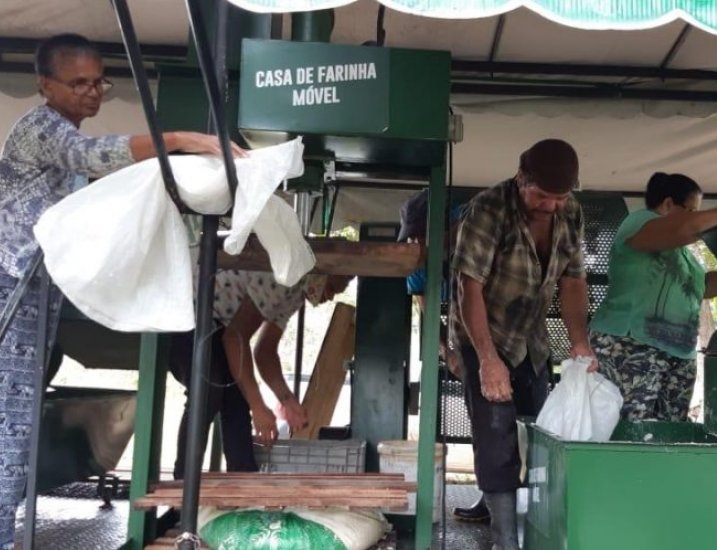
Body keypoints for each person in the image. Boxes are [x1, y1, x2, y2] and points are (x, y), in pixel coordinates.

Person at [0, 33, 244, 550]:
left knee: (17, 432)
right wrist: (181, 140)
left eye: (99, 82)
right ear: (45, 84)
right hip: (10, 291)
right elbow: (95, 154)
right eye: (79, 82)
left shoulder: (62, 149)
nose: (92, 92)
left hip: (36, 297)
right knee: (7, 431)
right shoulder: (41, 129)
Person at [450, 139, 595, 550]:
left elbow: (573, 280)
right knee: (495, 430)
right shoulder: (488, 209)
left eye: (560, 198)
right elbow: (468, 286)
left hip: (531, 339)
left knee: (535, 429)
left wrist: (579, 341)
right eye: (542, 196)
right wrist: (487, 359)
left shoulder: (570, 212)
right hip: (483, 334)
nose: (551, 206)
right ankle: (505, 541)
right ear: (520, 178)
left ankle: (511, 513)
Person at [589, 172, 717, 421]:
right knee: (631, 431)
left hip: (677, 354)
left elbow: (702, 287)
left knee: (668, 435)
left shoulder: (685, 257)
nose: (697, 219)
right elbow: (685, 227)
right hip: (631, 345)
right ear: (668, 204)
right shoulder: (639, 223)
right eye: (692, 211)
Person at [170, 270, 352, 479]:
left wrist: (287, 399)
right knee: (208, 392)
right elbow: (235, 338)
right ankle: (183, 484)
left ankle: (243, 480)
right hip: (187, 319)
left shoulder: (295, 293)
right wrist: (258, 406)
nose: (328, 298)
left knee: (238, 400)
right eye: (330, 289)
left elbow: (264, 350)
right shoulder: (284, 278)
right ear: (319, 274)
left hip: (217, 328)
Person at [397, 189, 465, 380]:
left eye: (421, 234)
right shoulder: (415, 267)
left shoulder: (470, 225)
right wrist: (447, 353)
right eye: (411, 236)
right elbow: (430, 316)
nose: (415, 242)